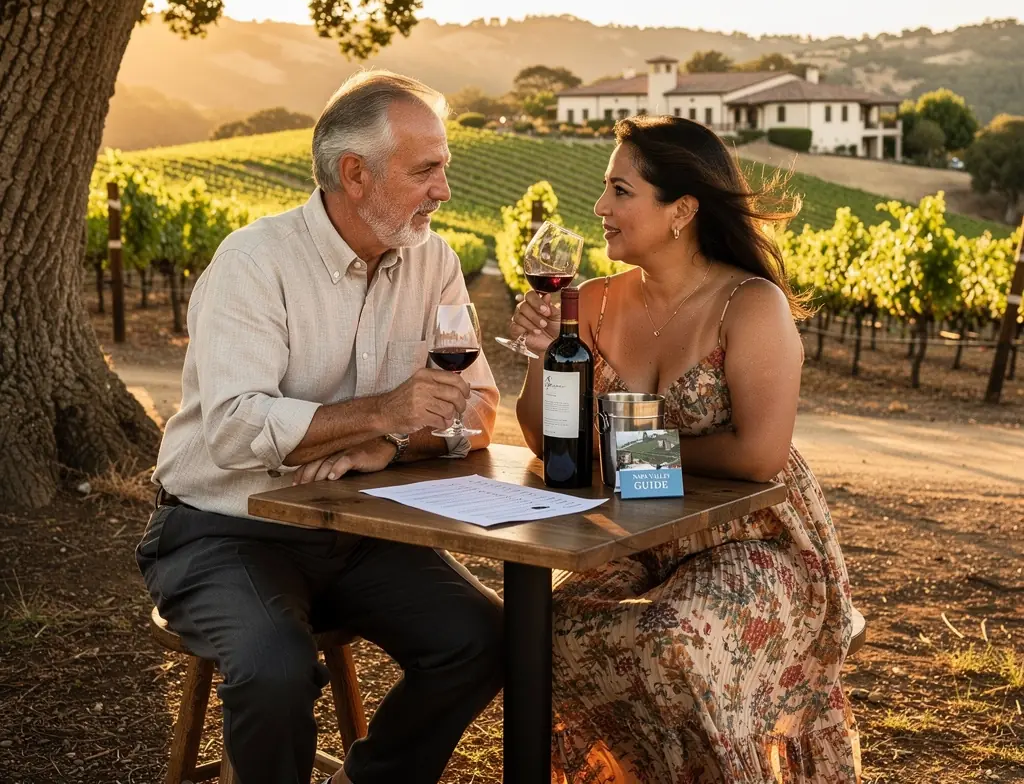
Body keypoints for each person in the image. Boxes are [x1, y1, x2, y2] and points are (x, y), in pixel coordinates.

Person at [136, 70, 503, 784]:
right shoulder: (253, 263)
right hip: (220, 528)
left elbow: (478, 409)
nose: (444, 190)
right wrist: (384, 410)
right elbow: (235, 431)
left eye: (445, 169)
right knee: (275, 667)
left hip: (360, 531)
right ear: (354, 173)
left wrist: (387, 443)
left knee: (487, 639)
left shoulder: (435, 261)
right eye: (426, 170)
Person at [512, 116, 861, 783]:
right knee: (549, 632)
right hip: (635, 541)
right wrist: (539, 359)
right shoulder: (589, 301)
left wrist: (623, 448)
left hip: (756, 540)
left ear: (682, 210)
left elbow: (760, 456)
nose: (600, 208)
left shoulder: (750, 304)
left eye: (620, 190)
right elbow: (545, 438)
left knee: (675, 638)